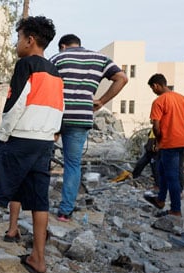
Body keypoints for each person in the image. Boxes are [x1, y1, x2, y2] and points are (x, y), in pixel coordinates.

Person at [0, 16, 63, 273]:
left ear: (29, 40)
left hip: (20, 137)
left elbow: (15, 104)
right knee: (39, 199)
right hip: (44, 142)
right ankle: (38, 259)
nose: (16, 43)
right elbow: (59, 108)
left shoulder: (26, 65)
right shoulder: (55, 72)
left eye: (19, 38)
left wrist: (4, 136)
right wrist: (51, 134)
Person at [49, 34, 128, 222]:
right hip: (81, 117)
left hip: (55, 116)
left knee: (43, 158)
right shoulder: (100, 58)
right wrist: (101, 101)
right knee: (72, 164)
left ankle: (38, 206)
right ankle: (65, 211)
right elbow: (122, 78)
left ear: (63, 46)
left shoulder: (58, 58)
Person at [143, 74, 184, 217]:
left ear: (156, 85)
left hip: (170, 141)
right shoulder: (182, 98)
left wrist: (158, 141)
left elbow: (156, 126)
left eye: (152, 88)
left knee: (172, 176)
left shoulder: (159, 101)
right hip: (183, 140)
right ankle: (160, 200)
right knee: (162, 170)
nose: (153, 91)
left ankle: (176, 210)